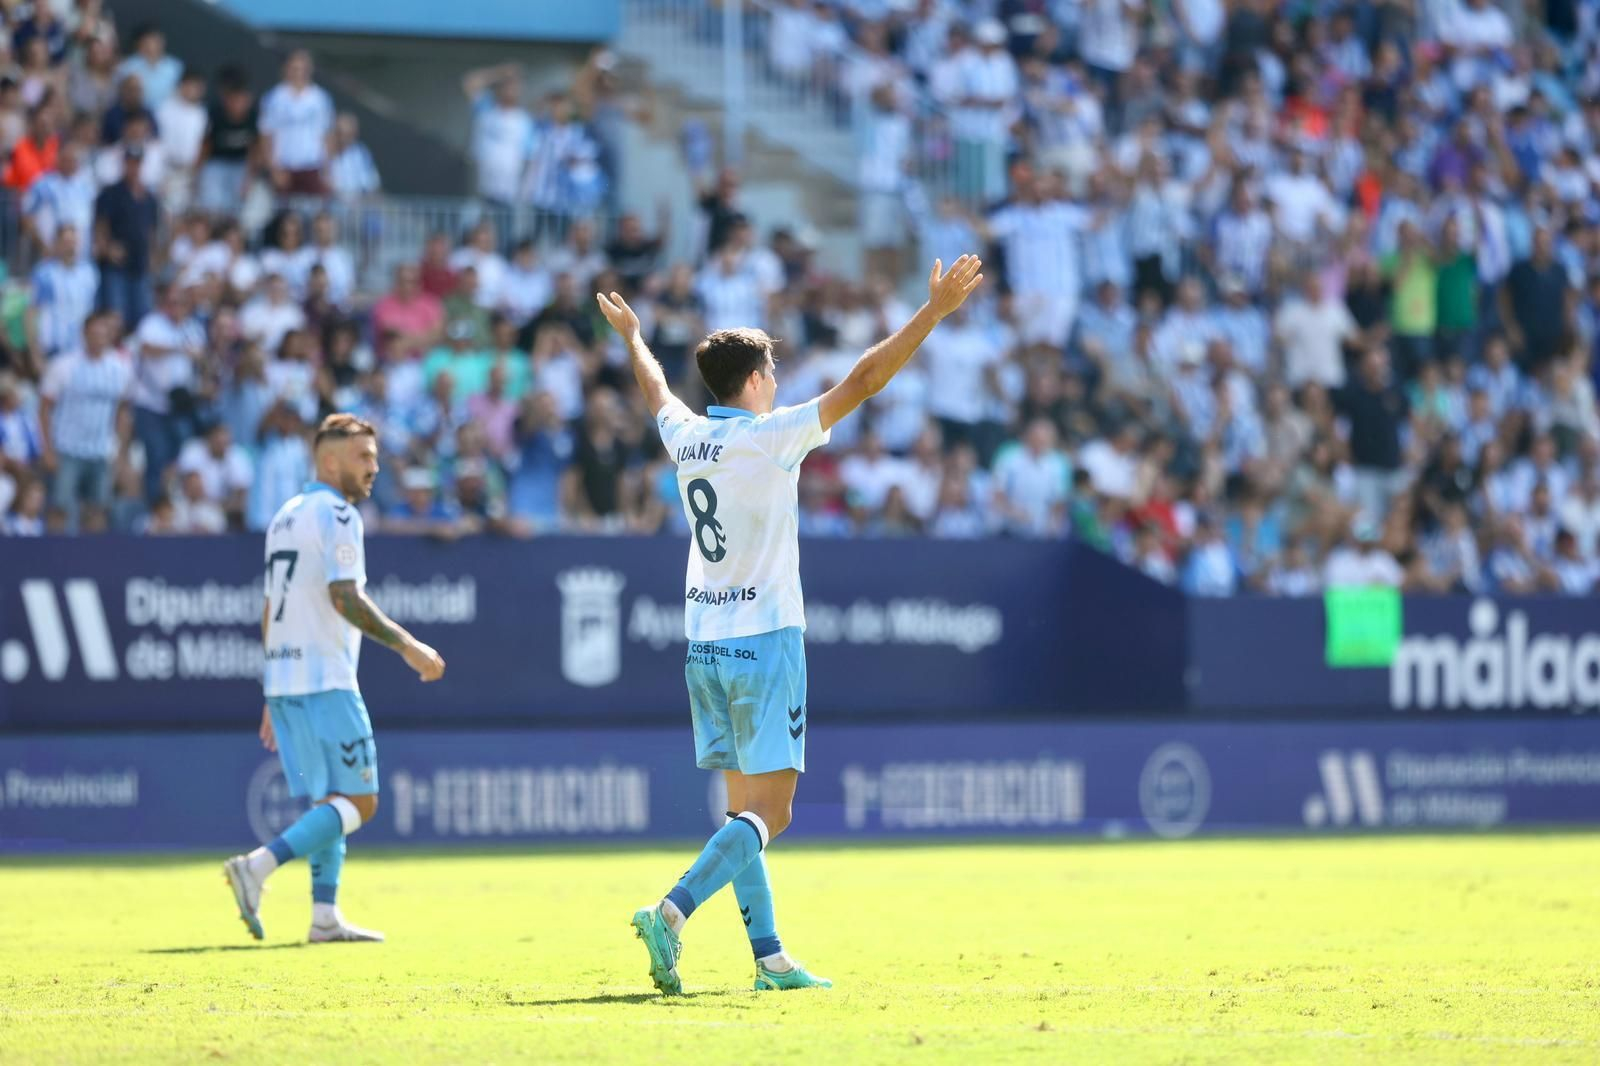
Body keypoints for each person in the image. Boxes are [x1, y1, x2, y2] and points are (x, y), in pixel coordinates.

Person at [594, 252, 984, 995]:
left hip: (704, 644)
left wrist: (633, 337)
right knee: (774, 813)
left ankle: (770, 958)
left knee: (742, 810)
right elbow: (864, 382)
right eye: (771, 370)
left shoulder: (688, 436)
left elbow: (654, 389)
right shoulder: (771, 438)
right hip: (764, 639)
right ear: (753, 381)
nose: (778, 381)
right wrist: (932, 313)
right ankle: (671, 912)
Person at [223, 414, 447, 944]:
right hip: (326, 677)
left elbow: (271, 605)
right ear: (330, 460)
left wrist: (269, 687)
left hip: (286, 678)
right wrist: (409, 647)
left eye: (373, 456)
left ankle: (324, 916)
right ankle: (256, 867)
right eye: (363, 456)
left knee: (330, 802)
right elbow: (344, 596)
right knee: (361, 801)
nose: (374, 466)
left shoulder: (285, 515)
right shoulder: (338, 514)